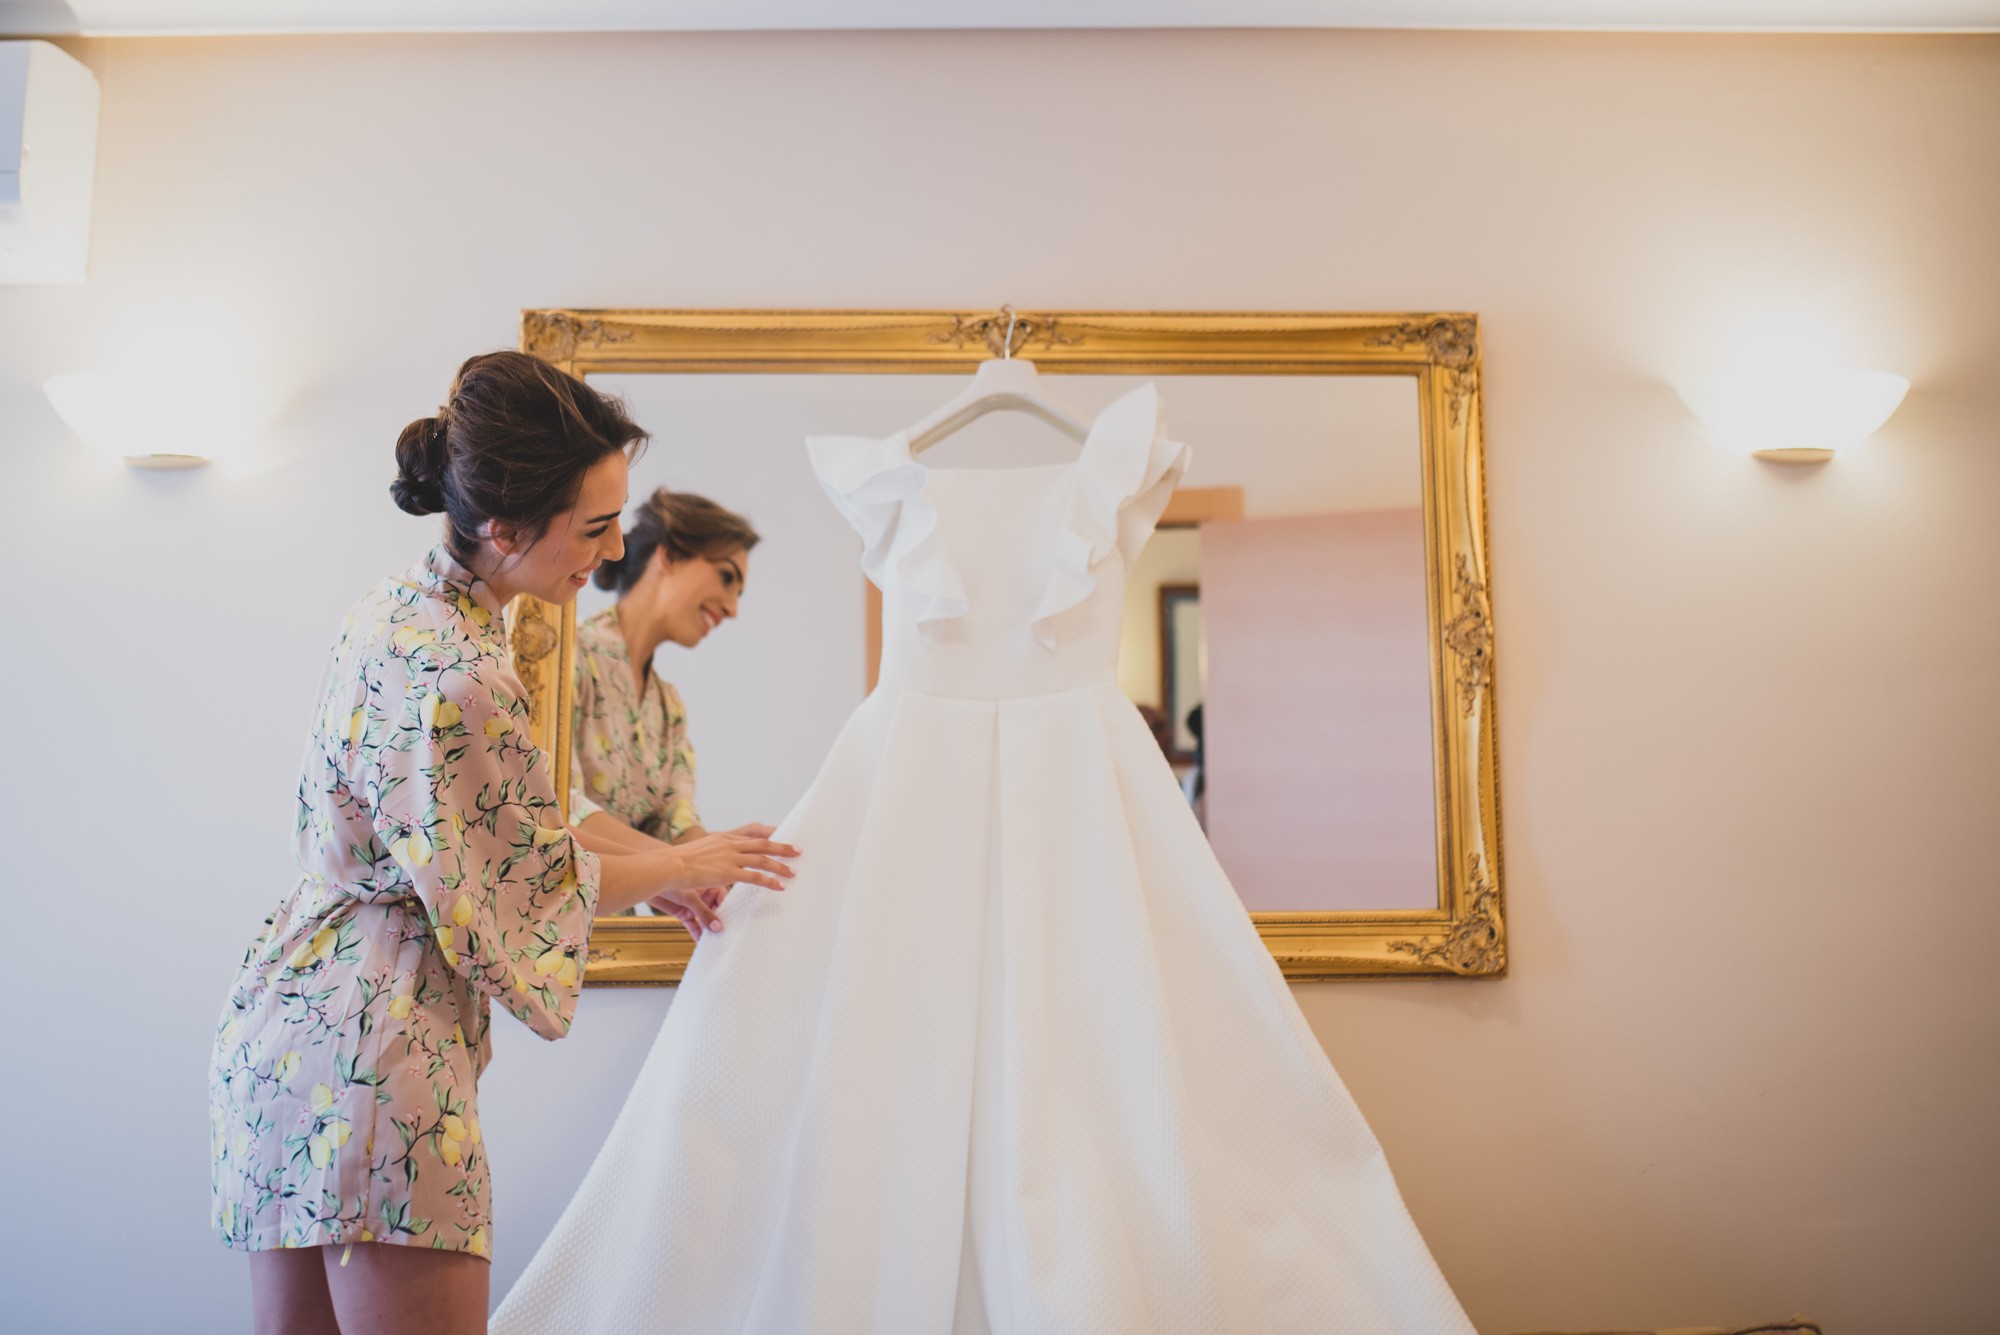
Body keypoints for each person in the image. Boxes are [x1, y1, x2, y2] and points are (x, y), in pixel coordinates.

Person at [206, 351, 799, 1335]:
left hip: (283, 1031)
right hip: (378, 1050)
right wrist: (687, 862)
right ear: (505, 527)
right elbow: (519, 880)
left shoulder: (394, 615)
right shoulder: (464, 675)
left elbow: (533, 805)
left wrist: (667, 865)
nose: (607, 556)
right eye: (595, 528)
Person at [569, 489, 777, 934]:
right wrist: (688, 864)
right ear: (668, 556)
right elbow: (554, 809)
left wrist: (734, 863)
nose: (732, 608)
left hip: (619, 943)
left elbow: (676, 822)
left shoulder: (669, 708)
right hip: (554, 928)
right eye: (726, 577)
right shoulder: (567, 657)